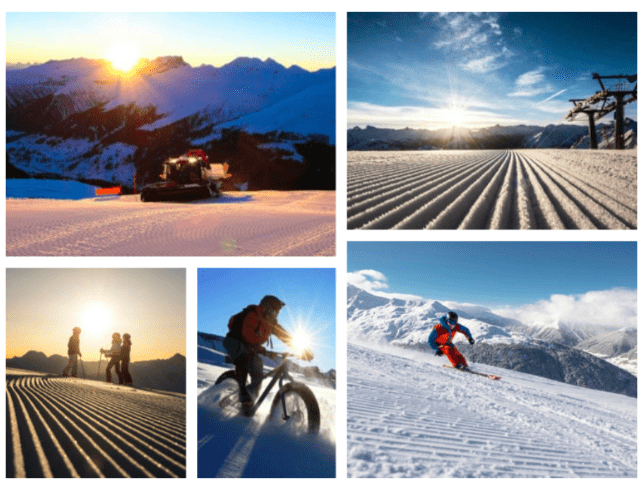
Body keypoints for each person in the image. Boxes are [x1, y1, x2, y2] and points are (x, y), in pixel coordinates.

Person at [222, 295, 314, 412]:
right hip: (234, 342)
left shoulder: (270, 323)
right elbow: (247, 337)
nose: (276, 315)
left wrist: (304, 350)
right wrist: (264, 351)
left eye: (278, 313)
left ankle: (249, 401)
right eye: (275, 311)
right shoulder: (253, 315)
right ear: (267, 308)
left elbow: (285, 336)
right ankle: (244, 393)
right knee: (247, 359)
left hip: (251, 347)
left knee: (257, 369)